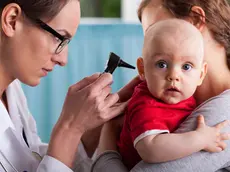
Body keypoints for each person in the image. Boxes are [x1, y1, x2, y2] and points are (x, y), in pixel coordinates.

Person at [0, 0, 140, 171]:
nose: (63, 59)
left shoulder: (12, 93)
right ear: (12, 20)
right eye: (58, 37)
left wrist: (86, 131)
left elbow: (33, 161)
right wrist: (70, 128)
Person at [91, 0, 230, 172]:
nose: (151, 42)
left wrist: (107, 140)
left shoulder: (223, 116)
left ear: (195, 19)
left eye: (156, 28)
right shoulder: (163, 99)